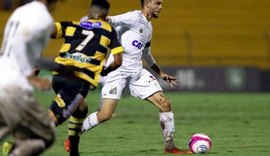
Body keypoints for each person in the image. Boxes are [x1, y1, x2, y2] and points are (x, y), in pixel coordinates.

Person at [65, 0, 192, 154]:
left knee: (165, 104)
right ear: (147, 4)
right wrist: (88, 22)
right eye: (158, 3)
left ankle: (170, 148)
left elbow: (147, 53)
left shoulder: (149, 27)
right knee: (105, 115)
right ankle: (73, 137)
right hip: (118, 72)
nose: (161, 7)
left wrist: (161, 73)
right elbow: (109, 19)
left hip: (137, 73)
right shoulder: (133, 17)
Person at [48, 0, 123, 155]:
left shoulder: (72, 25)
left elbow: (47, 32)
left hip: (58, 76)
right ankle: (16, 143)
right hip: (78, 81)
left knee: (81, 110)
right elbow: (118, 60)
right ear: (106, 15)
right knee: (53, 120)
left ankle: (74, 152)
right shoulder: (108, 30)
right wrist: (105, 71)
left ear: (89, 13)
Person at [0, 0, 58, 155]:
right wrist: (33, 79)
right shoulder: (43, 17)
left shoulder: (19, 12)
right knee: (46, 136)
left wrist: (56, 67)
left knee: (10, 126)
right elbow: (21, 42)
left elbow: (11, 47)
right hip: (14, 87)